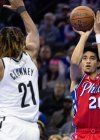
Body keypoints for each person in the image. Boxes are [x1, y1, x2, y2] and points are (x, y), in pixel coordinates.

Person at [70, 11, 100, 140]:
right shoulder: (77, 80)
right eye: (84, 58)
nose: (88, 61)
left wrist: (98, 32)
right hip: (81, 133)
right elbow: (73, 62)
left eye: (92, 58)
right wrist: (84, 36)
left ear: (98, 63)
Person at [0, 0, 40, 139]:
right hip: (32, 129)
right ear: (22, 42)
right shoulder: (31, 57)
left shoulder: (2, 65)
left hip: (10, 126)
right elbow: (33, 33)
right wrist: (22, 10)